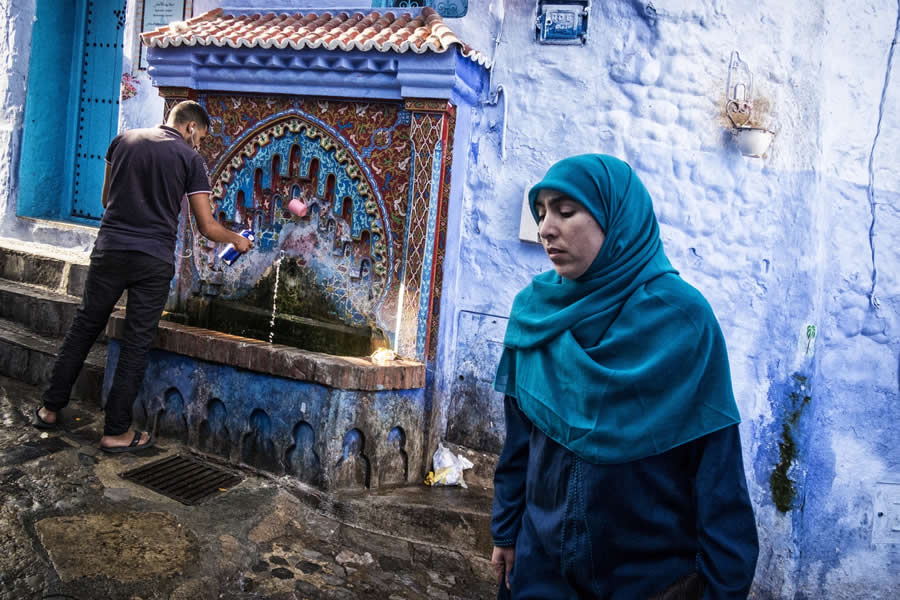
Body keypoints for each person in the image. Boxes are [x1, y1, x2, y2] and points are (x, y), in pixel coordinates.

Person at [490, 154, 758, 599]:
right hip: (541, 571)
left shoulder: (684, 323)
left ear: (618, 219)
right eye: (540, 214)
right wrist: (505, 530)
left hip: (648, 581)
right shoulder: (535, 314)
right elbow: (519, 445)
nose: (546, 229)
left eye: (565, 210)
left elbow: (718, 475)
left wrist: (722, 587)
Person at [33, 101, 253, 452]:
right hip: (151, 259)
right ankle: (116, 431)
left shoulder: (122, 140)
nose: (198, 145)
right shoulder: (188, 158)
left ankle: (49, 408)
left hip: (110, 249)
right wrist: (237, 240)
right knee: (136, 343)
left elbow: (106, 200)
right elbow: (207, 226)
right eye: (200, 138)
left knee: (84, 327)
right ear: (190, 127)